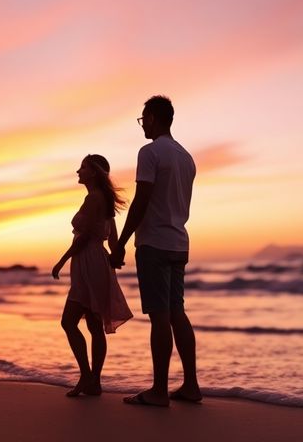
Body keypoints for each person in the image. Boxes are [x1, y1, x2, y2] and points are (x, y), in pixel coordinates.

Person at [110, 95, 202, 407]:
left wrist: (120, 242)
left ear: (153, 118)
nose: (142, 125)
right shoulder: (186, 157)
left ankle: (159, 391)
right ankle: (191, 385)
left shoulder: (150, 153)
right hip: (179, 242)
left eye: (143, 119)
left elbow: (142, 199)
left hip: (154, 243)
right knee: (177, 313)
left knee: (160, 317)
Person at [52, 154, 134, 397]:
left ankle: (87, 377)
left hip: (88, 261)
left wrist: (61, 260)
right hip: (97, 262)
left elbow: (85, 237)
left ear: (94, 173)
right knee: (94, 325)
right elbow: (114, 239)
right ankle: (93, 381)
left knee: (69, 321)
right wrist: (114, 258)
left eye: (83, 168)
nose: (78, 171)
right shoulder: (105, 201)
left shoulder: (93, 199)